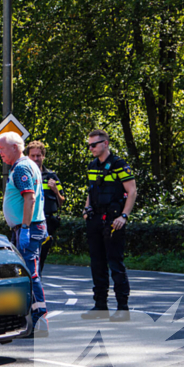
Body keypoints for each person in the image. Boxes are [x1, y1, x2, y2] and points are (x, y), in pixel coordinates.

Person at [81, 129, 137, 322]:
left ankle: (123, 307)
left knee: (115, 264)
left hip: (114, 221)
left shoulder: (120, 165)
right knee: (97, 264)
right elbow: (91, 189)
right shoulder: (92, 165)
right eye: (89, 145)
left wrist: (124, 216)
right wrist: (86, 209)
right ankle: (100, 306)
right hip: (95, 220)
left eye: (93, 145)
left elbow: (132, 191)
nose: (91, 148)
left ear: (105, 143)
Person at [0, 132, 48, 336]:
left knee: (30, 273)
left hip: (28, 227)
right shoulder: (28, 165)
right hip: (30, 227)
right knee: (26, 273)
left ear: (15, 147)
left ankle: (39, 321)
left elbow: (30, 198)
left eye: (2, 148)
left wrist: (25, 228)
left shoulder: (21, 168)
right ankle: (30, 319)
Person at [26, 140, 64, 275]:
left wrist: (56, 190)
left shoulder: (51, 176)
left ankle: (37, 285)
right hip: (29, 222)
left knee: (40, 259)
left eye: (38, 155)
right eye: (33, 156)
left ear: (43, 156)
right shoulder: (24, 175)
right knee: (30, 259)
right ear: (28, 157)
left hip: (47, 222)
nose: (36, 159)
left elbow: (62, 201)